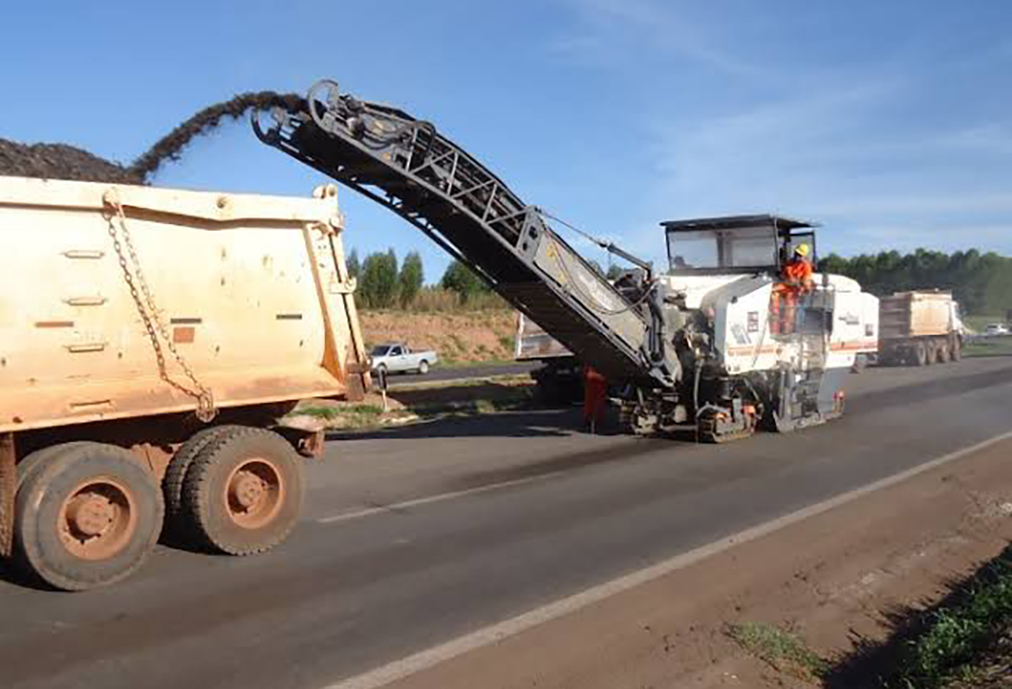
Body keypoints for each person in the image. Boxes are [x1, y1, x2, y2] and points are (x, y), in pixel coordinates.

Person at [771, 244, 814, 334]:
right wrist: (783, 278)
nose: (797, 256)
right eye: (796, 253)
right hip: (786, 286)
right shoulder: (789, 263)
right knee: (773, 295)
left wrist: (799, 285)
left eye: (800, 255)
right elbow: (783, 276)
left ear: (804, 256)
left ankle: (787, 332)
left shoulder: (806, 266)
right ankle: (775, 330)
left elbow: (805, 283)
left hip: (795, 290)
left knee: (789, 305)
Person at [582, 365, 608, 433]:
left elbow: (585, 370)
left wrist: (585, 375)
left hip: (590, 378)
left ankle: (589, 418)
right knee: (598, 401)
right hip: (600, 378)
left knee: (589, 400)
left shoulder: (590, 362)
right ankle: (596, 419)